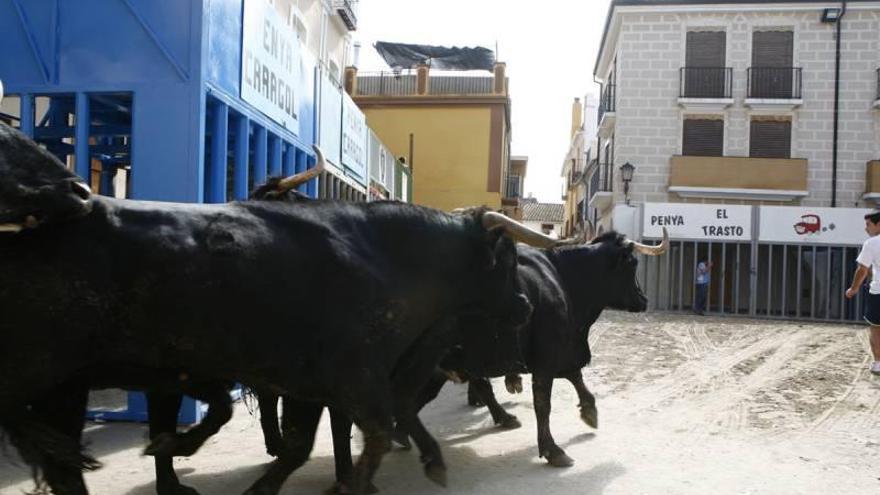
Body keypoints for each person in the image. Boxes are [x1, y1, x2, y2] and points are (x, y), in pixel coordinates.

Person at [845, 210, 880, 375]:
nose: (866, 229)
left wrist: (854, 288)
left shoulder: (872, 243)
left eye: (868, 225)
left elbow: (862, 269)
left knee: (876, 328)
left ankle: (878, 363)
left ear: (878, 224)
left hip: (878, 292)